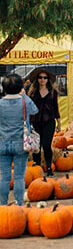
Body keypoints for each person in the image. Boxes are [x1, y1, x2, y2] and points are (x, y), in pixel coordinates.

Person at [0, 74, 38, 205]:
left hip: (3, 143)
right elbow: (35, 110)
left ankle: (3, 205)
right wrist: (25, 95)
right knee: (19, 177)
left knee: (4, 177)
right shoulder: (24, 101)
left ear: (4, 88)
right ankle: (19, 204)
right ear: (20, 87)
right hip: (21, 143)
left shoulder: (0, 103)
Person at [27, 68, 60, 177]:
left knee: (46, 145)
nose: (42, 80)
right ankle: (37, 167)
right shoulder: (32, 92)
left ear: (48, 80)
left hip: (49, 121)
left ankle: (49, 168)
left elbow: (56, 107)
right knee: (36, 146)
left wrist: (58, 122)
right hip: (35, 121)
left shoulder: (52, 92)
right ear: (37, 79)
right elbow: (28, 107)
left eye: (45, 78)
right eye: (40, 77)